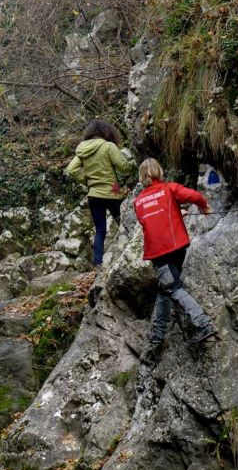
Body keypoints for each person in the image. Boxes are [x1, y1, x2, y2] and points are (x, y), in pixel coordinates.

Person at [133, 158, 217, 364]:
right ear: (158, 172)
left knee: (174, 289)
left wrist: (174, 211)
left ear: (143, 176)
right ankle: (156, 341)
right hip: (178, 248)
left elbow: (150, 221)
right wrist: (204, 207)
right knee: (166, 290)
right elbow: (194, 196)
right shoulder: (169, 189)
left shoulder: (138, 202)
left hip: (159, 254)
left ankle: (203, 324)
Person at [65, 120, 134, 267]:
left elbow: (71, 169)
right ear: (107, 132)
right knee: (124, 224)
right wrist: (134, 163)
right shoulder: (108, 146)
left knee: (100, 230)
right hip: (112, 194)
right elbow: (123, 167)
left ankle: (98, 263)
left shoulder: (83, 150)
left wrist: (88, 181)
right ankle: (131, 253)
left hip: (93, 195)